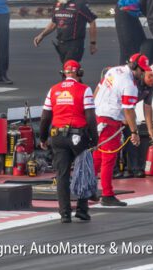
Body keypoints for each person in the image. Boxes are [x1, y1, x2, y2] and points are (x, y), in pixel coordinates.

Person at [39, 59, 99, 223]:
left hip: (57, 137)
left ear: (63, 73)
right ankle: (82, 210)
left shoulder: (53, 90)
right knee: (83, 172)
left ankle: (65, 213)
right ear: (79, 73)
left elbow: (45, 118)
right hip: (78, 136)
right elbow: (90, 117)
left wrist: (43, 138)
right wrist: (95, 138)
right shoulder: (85, 89)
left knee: (62, 175)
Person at [92, 53, 148, 206]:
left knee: (97, 156)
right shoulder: (129, 84)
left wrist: (91, 110)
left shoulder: (113, 70)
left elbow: (98, 88)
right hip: (109, 121)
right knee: (108, 159)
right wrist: (134, 132)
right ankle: (107, 194)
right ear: (135, 67)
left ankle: (87, 189)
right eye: (142, 70)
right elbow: (129, 110)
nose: (142, 74)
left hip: (97, 116)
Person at [116, 61, 153, 179]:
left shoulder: (151, 86)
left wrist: (150, 128)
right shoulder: (133, 80)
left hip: (129, 109)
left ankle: (134, 168)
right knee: (115, 140)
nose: (152, 82)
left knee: (133, 138)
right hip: (116, 108)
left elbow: (147, 106)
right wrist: (124, 117)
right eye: (150, 77)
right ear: (144, 71)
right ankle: (114, 170)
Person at [33, 0, 98, 63]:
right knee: (65, 72)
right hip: (61, 44)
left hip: (75, 44)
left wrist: (93, 43)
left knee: (69, 70)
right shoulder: (56, 2)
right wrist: (42, 35)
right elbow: (53, 23)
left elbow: (92, 21)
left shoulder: (80, 3)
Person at [114, 0, 147, 64]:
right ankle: (122, 71)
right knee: (128, 48)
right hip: (124, 9)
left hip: (130, 10)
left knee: (140, 42)